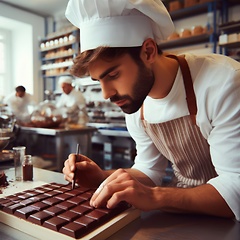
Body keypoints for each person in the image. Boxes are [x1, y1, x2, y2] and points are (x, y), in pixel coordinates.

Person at [62, 0, 240, 221]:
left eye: (113, 75)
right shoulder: (137, 105)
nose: (106, 94)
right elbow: (149, 170)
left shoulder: (222, 82)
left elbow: (236, 188)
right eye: (99, 80)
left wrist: (156, 197)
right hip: (182, 214)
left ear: (148, 51)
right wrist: (101, 177)